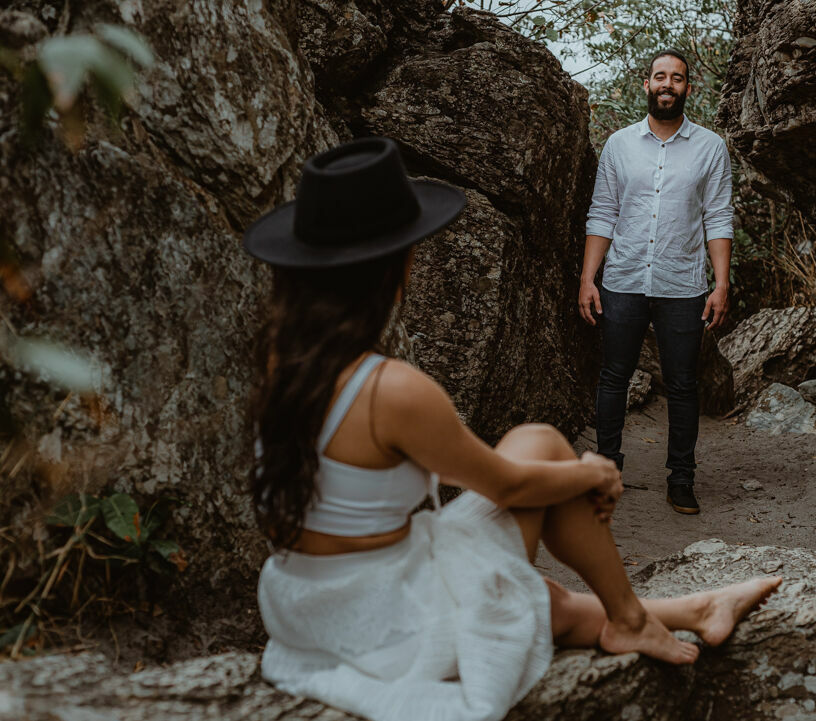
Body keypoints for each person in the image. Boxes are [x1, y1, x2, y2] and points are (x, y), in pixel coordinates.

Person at [244, 137, 779, 721]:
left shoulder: (282, 361)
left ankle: (696, 608)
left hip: (309, 602)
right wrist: (592, 470)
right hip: (376, 617)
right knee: (545, 458)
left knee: (535, 578)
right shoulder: (391, 390)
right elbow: (512, 488)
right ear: (391, 267)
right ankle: (630, 618)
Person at [579, 49, 734, 515]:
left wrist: (720, 284)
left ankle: (681, 479)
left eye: (678, 78)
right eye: (660, 77)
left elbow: (718, 216)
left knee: (684, 384)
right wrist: (589, 279)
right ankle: (605, 472)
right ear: (646, 85)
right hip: (622, 278)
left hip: (683, 284)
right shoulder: (619, 146)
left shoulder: (711, 148)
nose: (668, 84)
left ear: (689, 88)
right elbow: (602, 212)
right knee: (613, 377)